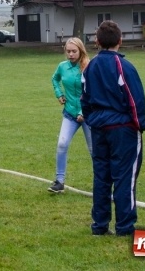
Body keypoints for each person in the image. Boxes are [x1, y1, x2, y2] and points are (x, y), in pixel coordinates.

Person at [81, 20, 145, 236]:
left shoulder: (89, 67)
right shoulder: (123, 66)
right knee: (124, 177)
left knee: (101, 176)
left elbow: (85, 98)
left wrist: (92, 119)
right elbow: (135, 99)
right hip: (121, 129)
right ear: (120, 40)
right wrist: (140, 125)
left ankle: (99, 225)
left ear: (97, 42)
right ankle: (125, 227)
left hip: (99, 128)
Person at [48, 37, 92, 194]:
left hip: (88, 115)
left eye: (74, 51)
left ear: (81, 51)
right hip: (69, 114)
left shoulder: (88, 67)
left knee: (94, 150)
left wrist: (83, 112)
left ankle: (102, 182)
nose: (71, 54)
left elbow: (91, 91)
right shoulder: (62, 66)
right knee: (62, 144)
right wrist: (59, 93)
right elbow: (54, 79)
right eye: (68, 51)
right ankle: (59, 182)